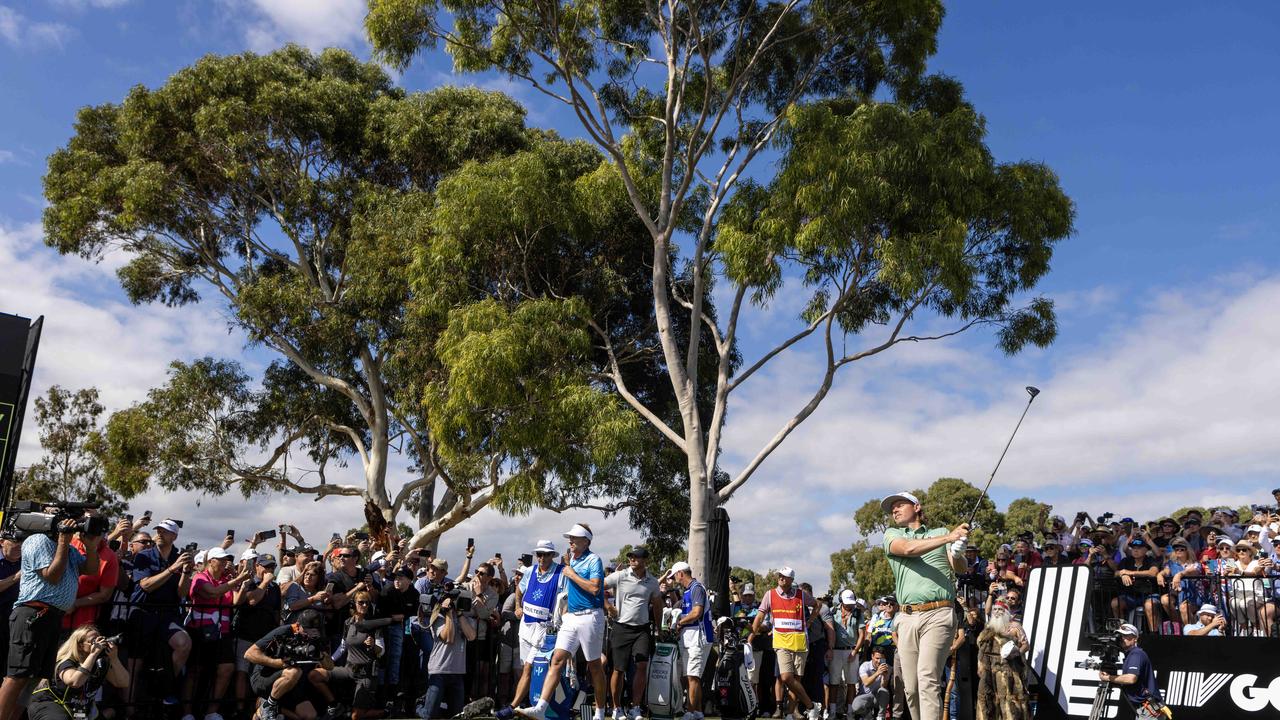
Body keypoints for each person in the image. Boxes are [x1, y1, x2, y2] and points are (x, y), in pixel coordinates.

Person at [0, 514, 101, 720]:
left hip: (53, 617)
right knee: (17, 676)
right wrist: (64, 540)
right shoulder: (38, 540)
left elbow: (91, 569)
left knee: (34, 678)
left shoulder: (69, 550)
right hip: (33, 614)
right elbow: (52, 576)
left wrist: (90, 546)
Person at [881, 490, 968, 720]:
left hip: (939, 613)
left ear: (917, 507)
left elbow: (959, 567)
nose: (895, 510)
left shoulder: (939, 532)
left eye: (900, 505)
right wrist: (949, 538)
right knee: (911, 687)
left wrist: (958, 552)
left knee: (927, 677)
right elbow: (908, 549)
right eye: (893, 508)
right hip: (907, 617)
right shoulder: (892, 534)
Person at [518, 524, 607, 720]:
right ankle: (541, 708)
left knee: (594, 666)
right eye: (570, 538)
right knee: (557, 660)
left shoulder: (594, 560)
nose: (570, 541)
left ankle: (599, 713)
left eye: (575, 538)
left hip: (590, 616)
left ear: (586, 541)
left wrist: (571, 574)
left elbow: (594, 589)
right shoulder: (571, 560)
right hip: (572, 617)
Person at [127, 519, 194, 702]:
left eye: (164, 531)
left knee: (183, 643)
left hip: (167, 614)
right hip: (143, 613)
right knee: (135, 664)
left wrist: (187, 572)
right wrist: (173, 569)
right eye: (158, 530)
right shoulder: (144, 556)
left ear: (174, 536)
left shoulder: (178, 556)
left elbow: (181, 593)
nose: (159, 534)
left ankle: (163, 691)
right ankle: (129, 707)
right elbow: (146, 585)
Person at [184, 546, 251, 720]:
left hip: (223, 631)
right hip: (200, 631)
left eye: (225, 560)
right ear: (211, 561)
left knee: (226, 668)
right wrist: (235, 581)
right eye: (221, 559)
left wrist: (242, 585)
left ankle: (211, 711)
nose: (224, 563)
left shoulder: (226, 580)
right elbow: (212, 592)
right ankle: (187, 712)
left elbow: (236, 601)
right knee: (195, 671)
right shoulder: (199, 578)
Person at [503, 541, 566, 719]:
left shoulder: (561, 572)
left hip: (545, 630)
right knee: (527, 669)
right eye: (539, 554)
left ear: (552, 555)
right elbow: (519, 590)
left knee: (532, 668)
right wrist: (517, 606)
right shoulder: (530, 571)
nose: (542, 557)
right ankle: (532, 706)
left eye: (546, 554)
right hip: (526, 626)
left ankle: (515, 707)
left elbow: (566, 599)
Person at [751, 567, 822, 720]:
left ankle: (790, 712)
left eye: (785, 576)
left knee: (796, 680)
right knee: (786, 677)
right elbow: (760, 616)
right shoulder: (769, 595)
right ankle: (811, 706)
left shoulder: (801, 595)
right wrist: (751, 635)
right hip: (781, 642)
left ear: (791, 580)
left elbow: (817, 605)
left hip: (800, 642)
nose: (782, 578)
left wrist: (809, 622)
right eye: (780, 576)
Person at [603, 547, 662, 720]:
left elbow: (657, 605)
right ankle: (617, 708)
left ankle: (635, 708)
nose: (632, 559)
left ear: (645, 560)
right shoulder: (620, 575)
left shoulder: (652, 581)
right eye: (631, 557)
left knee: (642, 665)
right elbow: (597, 587)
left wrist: (659, 628)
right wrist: (608, 606)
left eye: (636, 557)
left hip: (642, 629)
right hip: (621, 628)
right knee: (619, 669)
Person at [244, 609, 334, 720]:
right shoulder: (284, 631)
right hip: (266, 677)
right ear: (298, 625)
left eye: (315, 629)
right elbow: (249, 654)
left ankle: (270, 708)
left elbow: (330, 666)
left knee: (310, 715)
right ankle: (268, 706)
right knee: (295, 671)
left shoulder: (317, 638)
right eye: (307, 629)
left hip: (292, 685)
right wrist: (278, 663)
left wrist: (320, 654)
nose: (311, 633)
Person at [26, 625, 128, 720]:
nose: (99, 644)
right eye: (93, 641)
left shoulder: (100, 662)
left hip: (77, 710)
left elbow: (123, 682)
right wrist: (93, 655)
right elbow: (75, 682)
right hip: (50, 704)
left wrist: (114, 659)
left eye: (100, 639)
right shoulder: (66, 662)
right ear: (80, 646)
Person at [234, 551, 283, 720]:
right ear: (257, 566)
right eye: (266, 566)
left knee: (263, 675)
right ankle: (240, 709)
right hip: (247, 635)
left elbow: (277, 611)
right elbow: (252, 601)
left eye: (272, 567)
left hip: (266, 639)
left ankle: (259, 709)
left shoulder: (275, 587)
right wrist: (264, 583)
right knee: (242, 672)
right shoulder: (250, 583)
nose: (269, 570)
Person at [416, 586, 476, 719]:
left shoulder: (465, 617)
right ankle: (419, 705)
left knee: (456, 715)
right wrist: (448, 613)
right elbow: (449, 637)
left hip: (458, 671)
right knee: (429, 716)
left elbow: (471, 636)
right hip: (439, 671)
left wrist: (459, 614)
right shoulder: (437, 617)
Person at [670, 561, 713, 720]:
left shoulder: (697, 588)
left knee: (692, 676)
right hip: (690, 638)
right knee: (691, 676)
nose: (675, 579)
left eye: (675, 576)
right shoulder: (689, 590)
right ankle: (698, 712)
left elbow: (696, 613)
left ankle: (689, 711)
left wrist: (680, 622)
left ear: (681, 573)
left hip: (699, 637)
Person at [1096, 623, 1166, 719]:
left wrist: (1108, 677)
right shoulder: (1131, 654)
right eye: (1121, 635)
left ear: (1135, 638)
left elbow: (1131, 679)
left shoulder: (1136, 654)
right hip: (1147, 708)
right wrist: (1111, 677)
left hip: (1149, 709)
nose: (1122, 638)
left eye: (1126, 635)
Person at [974, 603, 1030, 720]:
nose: (997, 612)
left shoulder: (1014, 627)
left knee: (1008, 702)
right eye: (995, 609)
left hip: (1007, 670)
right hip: (988, 670)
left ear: (1007, 612)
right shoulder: (989, 628)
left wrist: (1016, 653)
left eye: (1001, 609)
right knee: (986, 699)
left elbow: (1026, 645)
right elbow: (980, 644)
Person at [828, 590, 864, 720]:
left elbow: (862, 635)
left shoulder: (858, 612)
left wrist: (855, 651)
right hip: (836, 650)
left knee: (851, 683)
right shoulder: (832, 611)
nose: (850, 605)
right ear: (841, 601)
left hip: (851, 651)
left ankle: (850, 712)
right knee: (834, 683)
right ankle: (832, 712)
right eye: (847, 603)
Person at [849, 647, 889, 720]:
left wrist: (885, 676)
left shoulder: (886, 667)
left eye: (881, 659)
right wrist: (877, 673)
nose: (879, 661)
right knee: (856, 707)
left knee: (884, 691)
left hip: (877, 697)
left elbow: (883, 686)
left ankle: (881, 716)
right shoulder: (865, 666)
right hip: (865, 696)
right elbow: (866, 683)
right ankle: (868, 717)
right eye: (877, 658)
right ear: (872, 656)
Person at [0, 531, 22, 653]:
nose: (19, 546)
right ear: (2, 542)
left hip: (16, 620)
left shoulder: (26, 559)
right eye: (15, 541)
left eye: (22, 542)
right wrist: (16, 577)